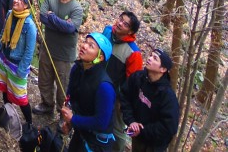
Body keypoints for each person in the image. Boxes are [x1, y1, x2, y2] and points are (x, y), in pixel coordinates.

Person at [34, 0, 84, 115]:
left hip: (64, 55)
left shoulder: (76, 8)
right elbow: (43, 18)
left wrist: (53, 18)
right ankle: (46, 104)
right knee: (44, 80)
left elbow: (70, 28)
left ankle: (62, 113)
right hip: (47, 49)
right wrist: (60, 23)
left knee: (63, 86)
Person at [60, 32, 116, 152]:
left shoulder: (104, 87)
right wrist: (70, 122)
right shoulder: (77, 69)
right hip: (81, 131)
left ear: (100, 57)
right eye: (85, 42)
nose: (84, 46)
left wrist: (73, 119)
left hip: (97, 143)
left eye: (91, 46)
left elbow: (101, 122)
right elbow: (71, 96)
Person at [119, 49, 180, 152]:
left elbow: (169, 127)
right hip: (138, 138)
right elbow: (125, 97)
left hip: (155, 145)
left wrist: (143, 131)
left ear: (163, 69)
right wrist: (131, 121)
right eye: (151, 55)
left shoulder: (167, 96)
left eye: (155, 58)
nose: (150, 59)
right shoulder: (137, 78)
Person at [0, 0, 37, 126]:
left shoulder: (29, 26)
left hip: (16, 63)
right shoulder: (10, 14)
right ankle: (8, 114)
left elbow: (29, 51)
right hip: (5, 58)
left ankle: (29, 123)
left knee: (20, 96)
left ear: (26, 5)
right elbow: (3, 33)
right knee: (6, 88)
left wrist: (23, 69)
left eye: (20, 0)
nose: (16, 1)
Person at [103, 11, 143, 150]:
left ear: (130, 31)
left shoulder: (134, 53)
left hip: (116, 95)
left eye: (125, 24)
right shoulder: (107, 31)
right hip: (97, 84)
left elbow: (133, 83)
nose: (120, 23)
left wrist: (122, 100)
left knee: (117, 127)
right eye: (120, 19)